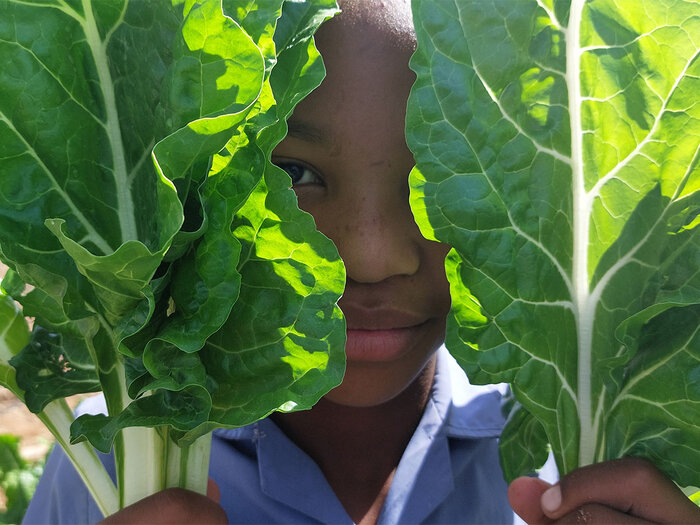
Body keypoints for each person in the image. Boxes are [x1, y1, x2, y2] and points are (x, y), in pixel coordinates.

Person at [22, 1, 700, 523]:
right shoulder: (103, 473)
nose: (375, 256)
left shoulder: (573, 469)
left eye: (435, 178)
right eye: (295, 174)